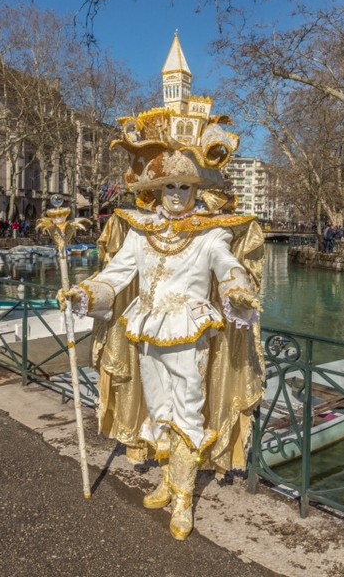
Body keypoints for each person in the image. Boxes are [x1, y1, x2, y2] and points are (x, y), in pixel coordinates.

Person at [58, 35, 265, 541]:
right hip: (146, 326)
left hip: (191, 330)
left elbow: (229, 268)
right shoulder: (140, 231)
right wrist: (85, 294)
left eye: (185, 187)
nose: (175, 196)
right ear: (157, 190)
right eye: (168, 187)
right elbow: (117, 275)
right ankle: (171, 481)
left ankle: (182, 501)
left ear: (197, 190)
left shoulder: (211, 233)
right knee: (157, 406)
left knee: (188, 408)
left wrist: (237, 292)